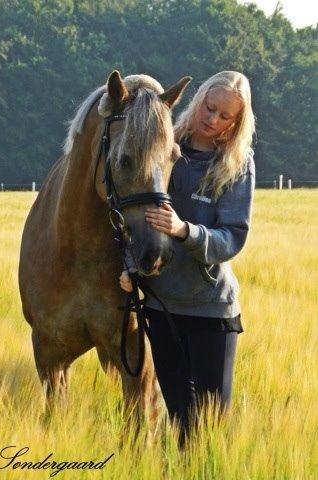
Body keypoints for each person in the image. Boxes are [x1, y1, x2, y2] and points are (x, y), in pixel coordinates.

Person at [119, 71, 256, 445]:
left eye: (225, 116)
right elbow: (136, 216)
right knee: (180, 424)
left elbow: (233, 237)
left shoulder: (237, 165)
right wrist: (132, 266)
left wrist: (185, 230)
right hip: (162, 310)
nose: (213, 119)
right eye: (209, 108)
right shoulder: (162, 147)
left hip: (211, 312)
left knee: (211, 431)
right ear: (198, 102)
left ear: (236, 123)